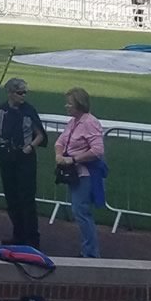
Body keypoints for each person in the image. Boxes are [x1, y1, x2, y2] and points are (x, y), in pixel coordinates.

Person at [0, 77, 45, 248]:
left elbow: (40, 134)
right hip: (6, 156)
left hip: (25, 158)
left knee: (26, 198)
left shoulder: (29, 111)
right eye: (20, 93)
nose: (23, 96)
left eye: (25, 92)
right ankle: (18, 234)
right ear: (10, 93)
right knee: (11, 198)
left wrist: (30, 147)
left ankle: (32, 239)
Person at [55, 87, 107, 258]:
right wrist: (59, 154)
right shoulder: (73, 122)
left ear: (79, 104)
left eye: (69, 103)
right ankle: (88, 250)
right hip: (75, 174)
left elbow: (97, 150)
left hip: (85, 174)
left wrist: (74, 159)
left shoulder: (90, 122)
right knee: (79, 211)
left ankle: (91, 253)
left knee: (81, 212)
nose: (66, 106)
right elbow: (60, 141)